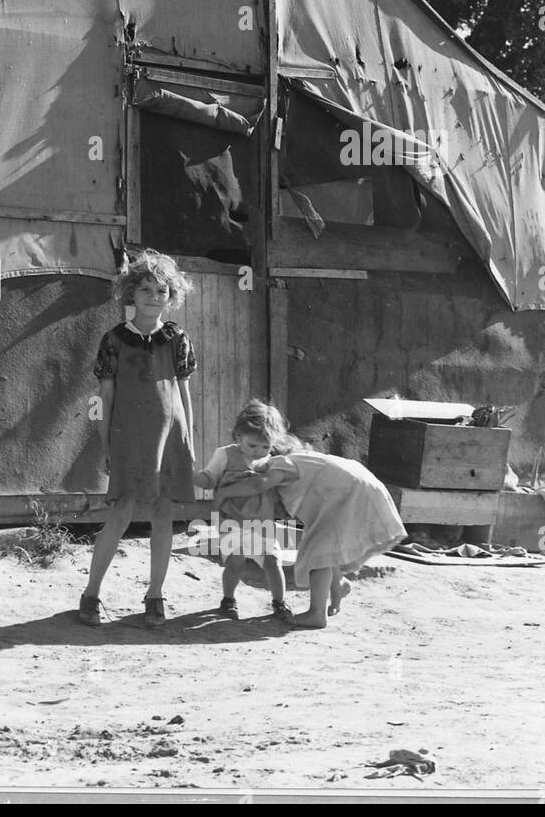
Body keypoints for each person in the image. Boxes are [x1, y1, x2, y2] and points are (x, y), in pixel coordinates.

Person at [80, 249, 196, 627]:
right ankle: (91, 594)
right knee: (121, 512)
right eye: (144, 288)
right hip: (127, 436)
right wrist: (104, 444)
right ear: (130, 293)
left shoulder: (177, 338)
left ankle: (155, 595)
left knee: (163, 514)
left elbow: (183, 391)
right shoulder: (113, 340)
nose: (152, 296)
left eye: (161, 289)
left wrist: (189, 441)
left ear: (171, 295)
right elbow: (105, 396)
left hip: (169, 436)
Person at [213, 412, 406, 628]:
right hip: (360, 487)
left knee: (317, 551)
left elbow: (259, 485)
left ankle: (316, 614)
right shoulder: (305, 464)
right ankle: (338, 585)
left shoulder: (280, 464)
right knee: (326, 545)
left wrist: (224, 493)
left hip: (349, 493)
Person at [193, 400, 294, 623]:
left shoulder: (272, 461)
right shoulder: (225, 455)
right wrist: (192, 475)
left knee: (272, 562)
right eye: (252, 446)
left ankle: (280, 603)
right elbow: (209, 479)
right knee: (235, 562)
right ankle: (228, 600)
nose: (258, 452)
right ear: (238, 435)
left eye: (265, 447)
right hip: (231, 520)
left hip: (263, 521)